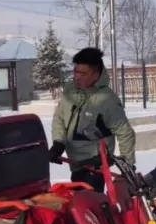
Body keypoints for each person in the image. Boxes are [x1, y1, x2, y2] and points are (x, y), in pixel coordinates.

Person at [49, 47, 136, 193]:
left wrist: (127, 166)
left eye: (83, 73)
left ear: (96, 75)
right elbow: (59, 117)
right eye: (76, 71)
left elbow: (125, 133)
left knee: (92, 207)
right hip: (76, 163)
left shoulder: (106, 100)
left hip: (95, 166)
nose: (77, 77)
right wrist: (58, 143)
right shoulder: (70, 91)